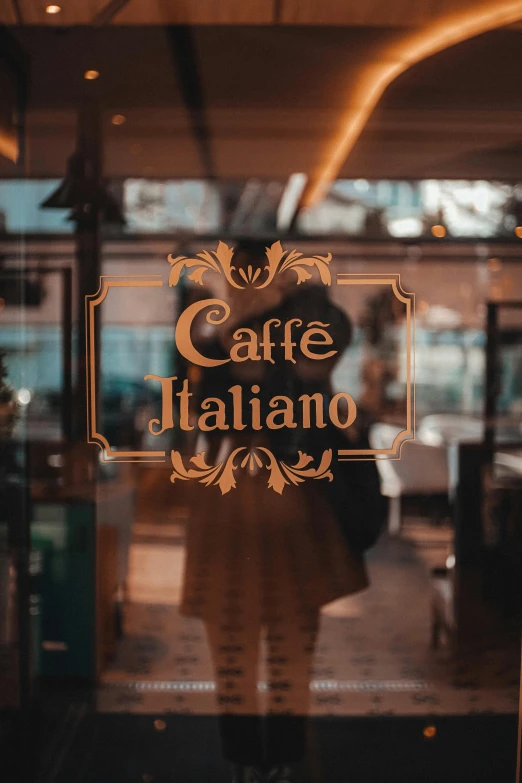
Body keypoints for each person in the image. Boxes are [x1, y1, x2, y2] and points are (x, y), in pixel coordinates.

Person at [178, 241, 386, 783]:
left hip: (292, 508)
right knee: (233, 646)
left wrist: (289, 312)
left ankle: (281, 761)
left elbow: (330, 334)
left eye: (256, 278)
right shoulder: (215, 351)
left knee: (291, 647)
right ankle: (249, 762)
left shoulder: (296, 335)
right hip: (236, 510)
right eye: (238, 280)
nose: (243, 289)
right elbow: (206, 422)